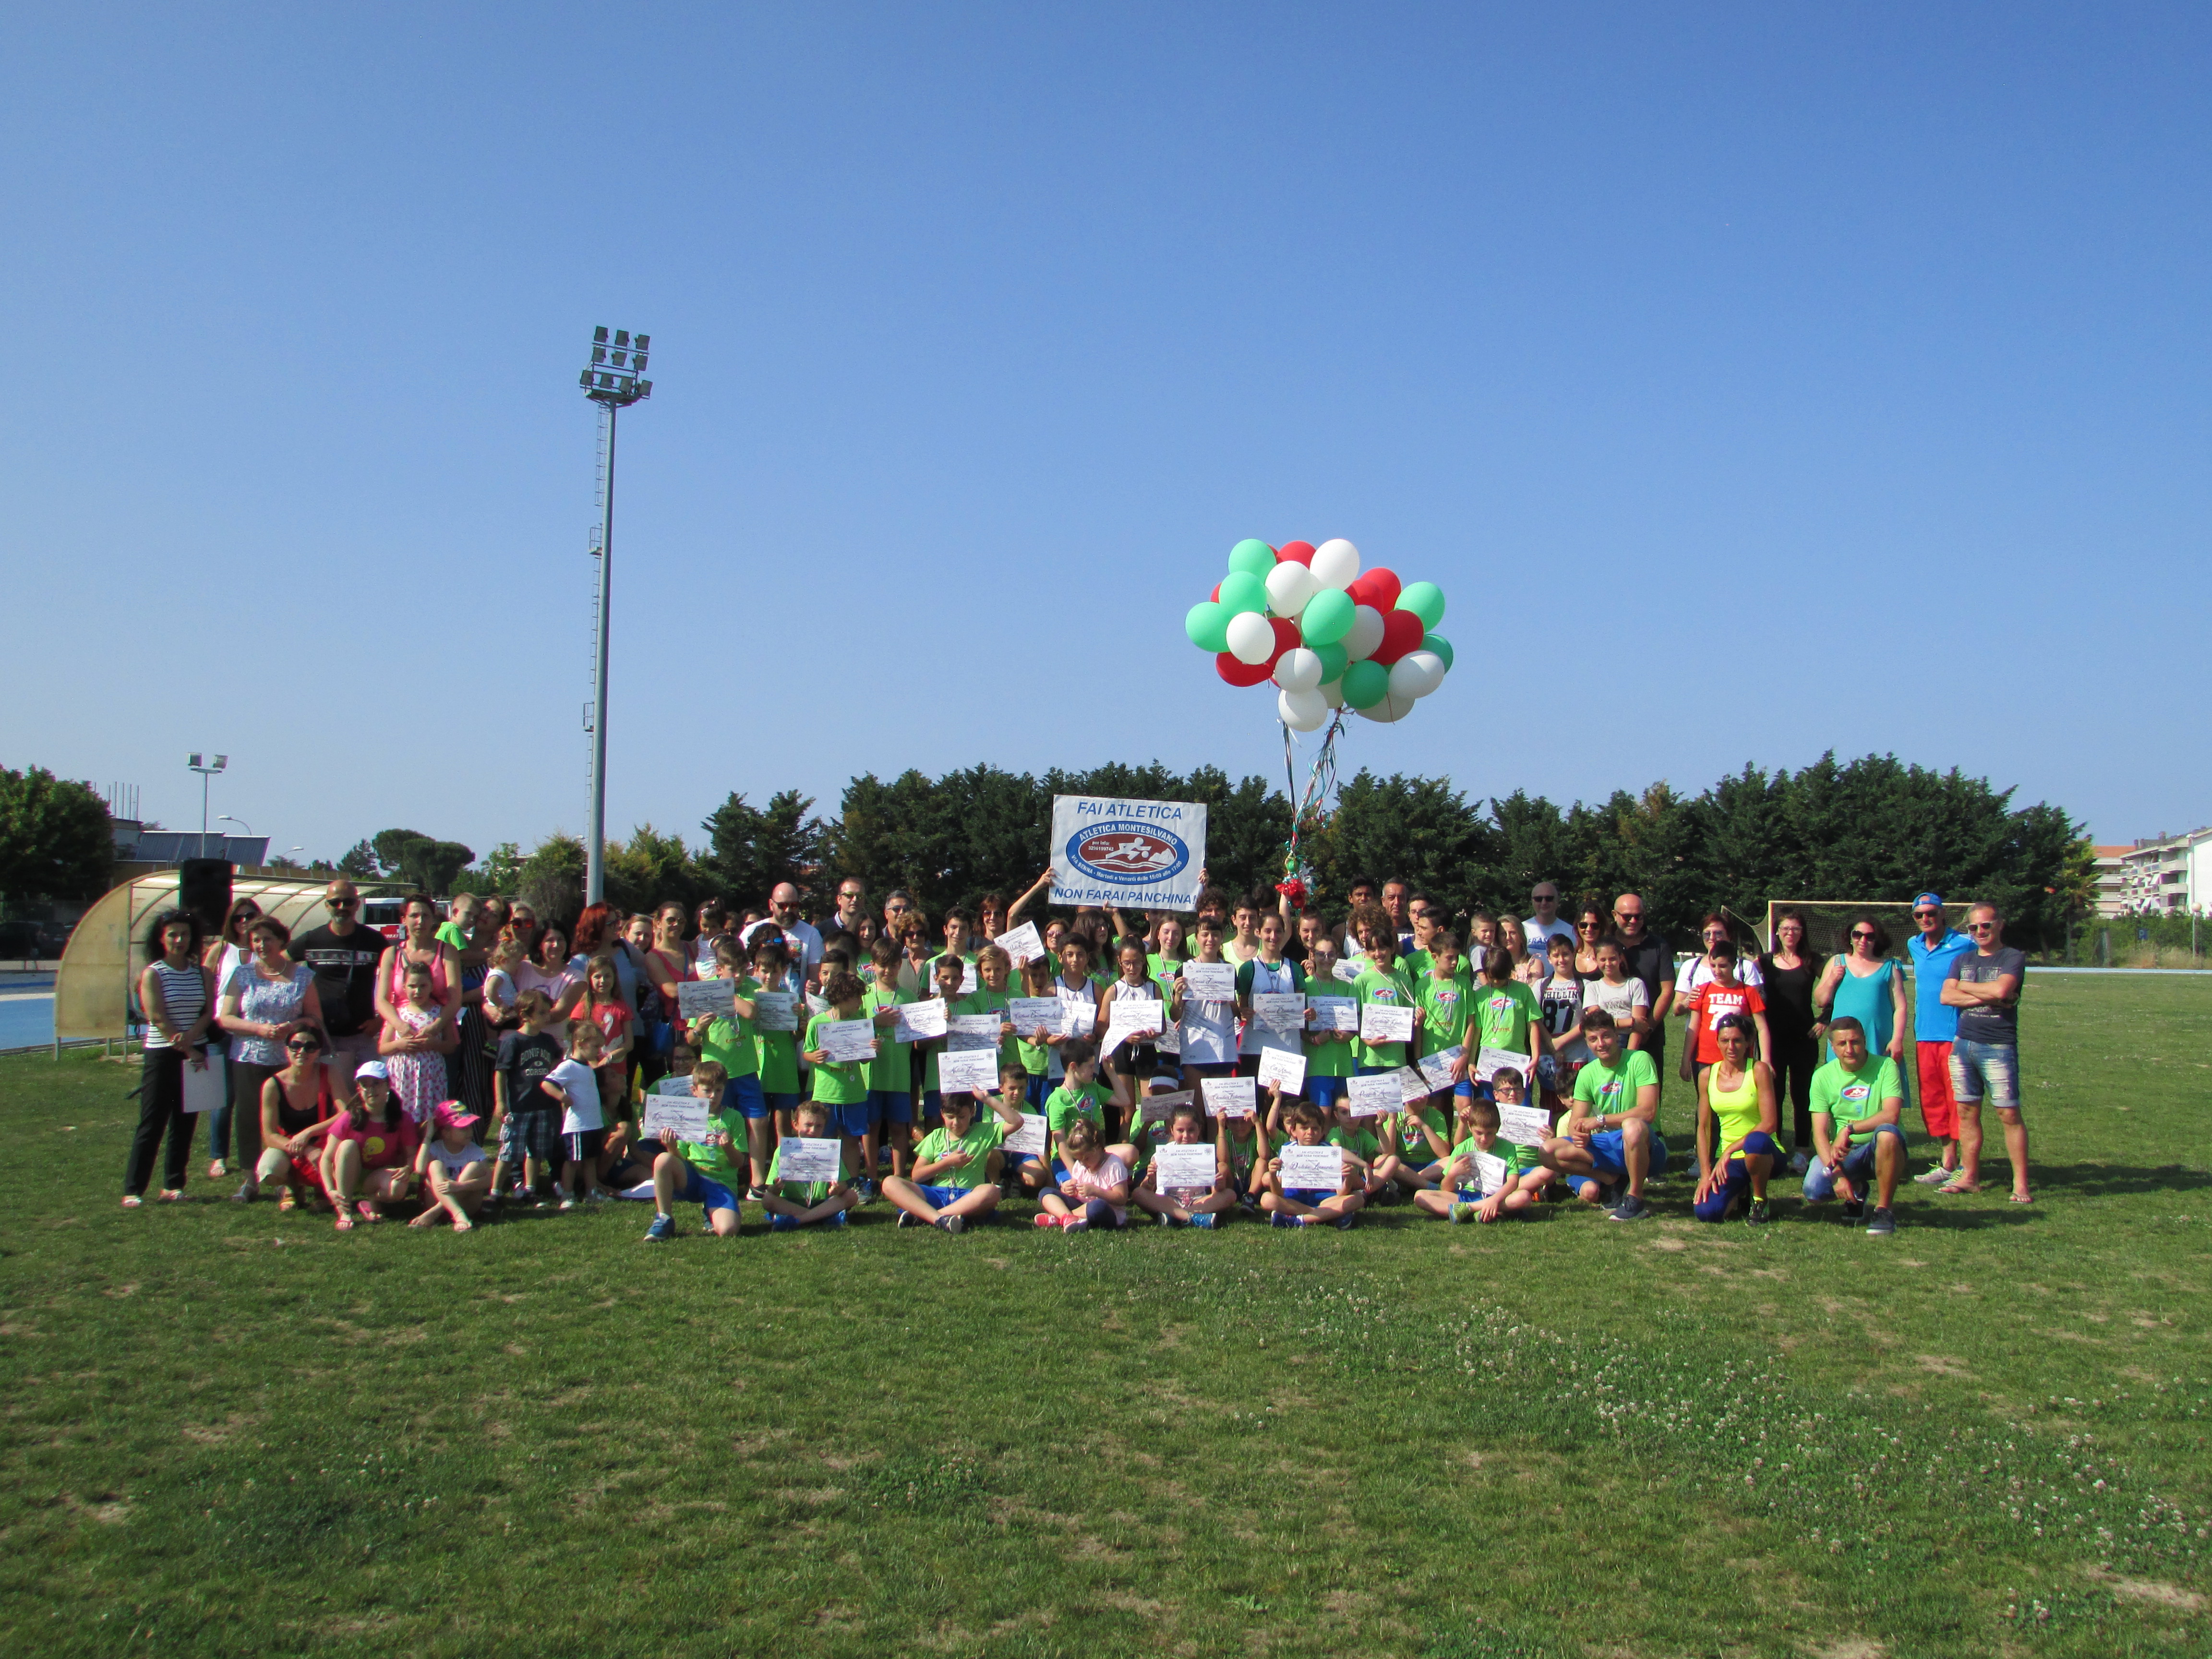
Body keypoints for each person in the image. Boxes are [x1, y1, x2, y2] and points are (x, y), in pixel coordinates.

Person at [217, 915, 325, 1201]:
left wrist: (292, 1028)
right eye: (256, 940)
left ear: (281, 941)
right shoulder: (242, 975)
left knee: (288, 1120)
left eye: (267, 939)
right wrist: (258, 1029)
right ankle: (250, 1179)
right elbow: (225, 1018)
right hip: (250, 1056)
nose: (261, 945)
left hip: (291, 1059)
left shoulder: (303, 976)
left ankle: (289, 1177)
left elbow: (315, 1017)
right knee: (249, 1117)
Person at [1939, 904, 2030, 1202]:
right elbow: (1945, 996)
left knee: (2008, 1112)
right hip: (1963, 1044)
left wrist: (1965, 988)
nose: (1979, 932)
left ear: (2000, 925)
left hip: (1998, 1046)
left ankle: (2020, 1184)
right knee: (1966, 1112)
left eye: (1985, 926)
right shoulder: (1962, 959)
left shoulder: (2013, 957)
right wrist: (1987, 992)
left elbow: (2004, 991)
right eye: (1973, 928)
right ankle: (1970, 1177)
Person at [1539, 1008, 1665, 1221]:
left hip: (1647, 1144)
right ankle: (1611, 1180)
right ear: (1587, 1043)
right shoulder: (1588, 1072)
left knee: (1632, 1127)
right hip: (1609, 1144)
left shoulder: (1639, 1059)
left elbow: (1648, 1112)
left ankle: (1636, 1198)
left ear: (1616, 1036)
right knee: (1548, 1151)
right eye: (1593, 1039)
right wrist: (1580, 1134)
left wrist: (1600, 1120)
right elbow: (1575, 1125)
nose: (1601, 1044)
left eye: (1606, 1036)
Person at [125, 909, 215, 1206]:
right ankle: (134, 1189)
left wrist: (194, 1041)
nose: (179, 940)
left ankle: (173, 1185)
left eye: (185, 934)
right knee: (152, 1123)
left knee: (185, 1122)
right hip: (163, 1055)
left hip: (195, 1053)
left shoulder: (202, 973)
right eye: (173, 934)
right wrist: (186, 1047)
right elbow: (158, 1018)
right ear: (162, 938)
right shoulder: (153, 973)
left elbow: (208, 1013)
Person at [1802, 1015, 1908, 1233]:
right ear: (1832, 1046)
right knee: (1814, 1191)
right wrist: (1837, 1175)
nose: (1849, 1049)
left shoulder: (1886, 1066)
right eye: (1842, 1044)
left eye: (1855, 1042)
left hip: (1880, 1147)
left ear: (1864, 1041)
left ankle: (1884, 1210)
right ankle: (1858, 1189)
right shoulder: (1822, 1077)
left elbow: (1891, 1115)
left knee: (1888, 1134)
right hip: (1845, 1152)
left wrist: (1850, 1129)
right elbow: (1820, 1134)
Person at [289, 878, 388, 1092]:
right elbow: (281, 965)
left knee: (370, 1094)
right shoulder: (311, 940)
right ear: (326, 905)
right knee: (331, 1096)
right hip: (325, 1036)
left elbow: (398, 980)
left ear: (358, 904)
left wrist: (381, 1020)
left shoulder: (374, 941)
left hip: (363, 1035)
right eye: (335, 902)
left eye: (349, 902)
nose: (342, 907)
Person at [1906, 893, 1977, 1186]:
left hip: (1955, 1034)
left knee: (1957, 1100)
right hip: (1924, 1035)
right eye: (1919, 915)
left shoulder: (1964, 944)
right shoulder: (1914, 945)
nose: (1925, 919)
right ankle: (1948, 1162)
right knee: (1933, 1101)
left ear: (1942, 913)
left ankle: (1966, 1166)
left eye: (1931, 913)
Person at [642, 1059, 744, 1241]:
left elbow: (739, 1163)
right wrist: (671, 1147)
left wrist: (728, 1147)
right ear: (694, 1091)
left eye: (719, 1090)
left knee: (728, 1230)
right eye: (707, 1091)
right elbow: (678, 1159)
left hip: (721, 1182)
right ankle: (664, 1218)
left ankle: (711, 1211)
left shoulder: (734, 1117)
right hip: (693, 1177)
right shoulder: (688, 1116)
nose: (713, 1096)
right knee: (663, 1159)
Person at [1691, 1014, 1779, 1224]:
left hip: (1764, 1152)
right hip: (1728, 1161)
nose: (1731, 1047)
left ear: (1749, 1042)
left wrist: (1730, 1150)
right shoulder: (1707, 1075)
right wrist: (1705, 1173)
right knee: (1707, 1213)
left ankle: (1760, 1200)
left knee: (1756, 1141)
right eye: (1725, 1041)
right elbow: (1703, 1128)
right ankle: (1740, 1192)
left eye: (1737, 1041)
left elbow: (1769, 1124)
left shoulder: (1758, 1070)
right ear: (1718, 1042)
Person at [1756, 908, 1824, 1169]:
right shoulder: (1764, 962)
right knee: (1773, 1095)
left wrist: (1825, 1019)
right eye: (1785, 928)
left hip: (1803, 1038)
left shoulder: (1812, 961)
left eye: (1795, 929)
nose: (1790, 933)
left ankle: (1803, 1150)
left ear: (1802, 932)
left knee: (1802, 1095)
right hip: (1771, 1040)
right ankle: (1774, 1147)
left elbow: (1837, 988)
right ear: (1777, 932)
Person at [881, 1090, 1005, 1233]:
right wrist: (947, 1163)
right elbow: (917, 1176)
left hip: (968, 1196)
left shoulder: (983, 1131)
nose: (956, 1123)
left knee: (992, 1191)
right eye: (951, 1117)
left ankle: (930, 1217)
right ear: (942, 1114)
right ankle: (941, 1219)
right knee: (890, 1182)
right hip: (937, 1194)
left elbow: (1016, 1122)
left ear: (972, 1113)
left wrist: (988, 1099)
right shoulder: (936, 1136)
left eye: (962, 1117)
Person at [201, 894, 262, 1179]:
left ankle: (257, 1153)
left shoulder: (264, 950)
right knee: (222, 1097)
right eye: (239, 918)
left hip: (254, 1032)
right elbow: (206, 987)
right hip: (222, 1031)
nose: (245, 923)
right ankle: (218, 1156)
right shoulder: (220, 950)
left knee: (255, 1097)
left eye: (250, 917)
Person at [801, 964, 878, 1182]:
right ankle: (824, 1182)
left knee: (852, 1141)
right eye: (857, 999)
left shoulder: (860, 1023)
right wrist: (814, 1057)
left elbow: (866, 1058)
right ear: (844, 998)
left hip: (853, 1093)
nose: (861, 1003)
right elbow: (807, 1052)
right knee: (825, 1140)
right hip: (826, 1094)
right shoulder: (818, 1022)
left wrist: (872, 1050)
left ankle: (853, 1182)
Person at [324, 1061, 421, 1230]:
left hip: (379, 1176)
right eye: (365, 1085)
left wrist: (408, 1168)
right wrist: (331, 1191)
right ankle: (345, 1211)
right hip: (349, 1172)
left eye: (377, 1083)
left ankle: (371, 1201)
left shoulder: (402, 1118)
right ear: (359, 1090)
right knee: (347, 1146)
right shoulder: (350, 1117)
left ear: (388, 1086)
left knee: (398, 1188)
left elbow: (412, 1154)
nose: (371, 1089)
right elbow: (326, 1158)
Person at [250, 1028, 338, 1212]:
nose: (302, 1052)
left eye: (310, 1047)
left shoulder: (329, 1074)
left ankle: (323, 1192)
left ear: (319, 1051)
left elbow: (346, 1113)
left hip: (324, 1142)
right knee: (269, 1169)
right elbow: (269, 1135)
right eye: (295, 1046)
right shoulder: (273, 1085)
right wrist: (305, 1148)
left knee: (343, 1153)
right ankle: (290, 1187)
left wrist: (308, 1133)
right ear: (286, 1050)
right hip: (289, 1145)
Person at [1415, 1094, 1541, 1223]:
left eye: (1490, 1134)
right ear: (1470, 1127)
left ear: (1497, 1129)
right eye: (1479, 1133)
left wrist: (1494, 1200)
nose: (1484, 1139)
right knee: (1420, 1196)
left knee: (1524, 1197)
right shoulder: (1462, 1148)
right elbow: (1446, 1189)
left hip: (1496, 1196)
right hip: (1465, 1195)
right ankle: (1481, 1211)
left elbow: (1513, 1182)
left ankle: (1469, 1210)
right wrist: (1453, 1174)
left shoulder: (1507, 1147)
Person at [490, 989, 565, 1205]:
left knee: (536, 1150)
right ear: (525, 1015)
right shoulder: (513, 1041)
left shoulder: (548, 1041)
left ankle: (530, 1189)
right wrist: (501, 1102)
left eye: (547, 1012)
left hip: (543, 1105)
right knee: (510, 1150)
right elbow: (501, 1072)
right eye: (542, 1013)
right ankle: (496, 1191)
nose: (547, 1017)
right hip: (519, 1106)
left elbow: (556, 1064)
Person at [372, 893, 463, 1042]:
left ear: (433, 919)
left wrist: (435, 1028)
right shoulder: (391, 954)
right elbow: (382, 1000)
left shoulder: (447, 951)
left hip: (439, 1032)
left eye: (426, 916)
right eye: (414, 916)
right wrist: (401, 1027)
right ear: (404, 919)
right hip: (400, 1033)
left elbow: (455, 999)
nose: (420, 921)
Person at [539, 1021, 611, 1210]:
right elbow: (547, 1084)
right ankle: (568, 1193)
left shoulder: (587, 1067)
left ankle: (591, 1192)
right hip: (577, 1125)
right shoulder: (568, 1066)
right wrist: (562, 1097)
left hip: (592, 1123)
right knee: (573, 1162)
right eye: (595, 1046)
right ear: (580, 1043)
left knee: (590, 1160)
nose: (598, 1051)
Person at [1132, 1098, 1236, 1227]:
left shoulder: (1205, 1152)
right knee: (1138, 1194)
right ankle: (1193, 1218)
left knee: (1230, 1195)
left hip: (1198, 1201)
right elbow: (1146, 1189)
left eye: (1191, 1130)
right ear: (1172, 1130)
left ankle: (1175, 1216)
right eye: (1180, 1131)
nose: (1186, 1136)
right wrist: (1151, 1179)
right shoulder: (1163, 1153)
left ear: (1199, 1130)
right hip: (1170, 1201)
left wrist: (1219, 1184)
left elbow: (1216, 1192)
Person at [1260, 1100, 1363, 1229]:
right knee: (1267, 1199)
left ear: (1321, 1131)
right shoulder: (1288, 1150)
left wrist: (1347, 1177)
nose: (1310, 1133)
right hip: (1295, 1199)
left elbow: (1342, 1193)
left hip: (1324, 1200)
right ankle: (1328, 1215)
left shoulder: (1329, 1151)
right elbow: (1278, 1193)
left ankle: (1300, 1220)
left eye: (1315, 1128)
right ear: (1294, 1131)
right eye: (1304, 1128)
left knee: (1358, 1198)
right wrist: (1273, 1174)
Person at [760, 1100, 861, 1230]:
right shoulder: (783, 1151)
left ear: (824, 1127)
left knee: (851, 1195)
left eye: (819, 1126)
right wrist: (776, 1188)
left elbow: (843, 1185)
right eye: (808, 1125)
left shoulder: (830, 1150)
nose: (813, 1131)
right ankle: (824, 1217)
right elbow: (771, 1189)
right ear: (795, 1125)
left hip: (823, 1203)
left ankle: (798, 1220)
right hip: (792, 1202)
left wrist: (837, 1189)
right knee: (767, 1199)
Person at [380, 961, 458, 1126]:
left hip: (430, 1077)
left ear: (431, 986)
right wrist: (399, 1045)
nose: (418, 991)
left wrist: (434, 1044)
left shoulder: (440, 1013)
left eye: (423, 986)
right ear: (404, 986)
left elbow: (451, 1046)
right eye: (412, 986)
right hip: (403, 1077)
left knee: (429, 1120)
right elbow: (383, 1047)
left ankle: (428, 1145)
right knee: (402, 1118)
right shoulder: (398, 1015)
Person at [1609, 894, 1675, 1080]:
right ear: (1615, 915)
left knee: (1649, 1097)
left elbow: (1667, 991)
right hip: (1609, 1036)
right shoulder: (1605, 946)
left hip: (1649, 1036)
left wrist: (1648, 1028)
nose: (1633, 921)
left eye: (1639, 916)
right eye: (1627, 917)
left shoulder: (1658, 946)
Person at [410, 1101, 493, 1231]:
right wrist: (427, 1137)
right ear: (446, 1133)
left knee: (475, 1167)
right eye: (463, 1128)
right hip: (435, 1200)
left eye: (470, 1126)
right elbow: (420, 1169)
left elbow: (488, 1181)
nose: (469, 1132)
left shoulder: (475, 1151)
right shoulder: (436, 1148)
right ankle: (459, 1215)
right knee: (435, 1165)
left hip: (466, 1205)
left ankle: (436, 1214)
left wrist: (460, 1186)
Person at [1037, 1118, 1132, 1230]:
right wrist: (1068, 1189)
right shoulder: (1081, 1165)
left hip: (1107, 1211)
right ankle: (1068, 1218)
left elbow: (1122, 1198)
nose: (1083, 1163)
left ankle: (1061, 1217)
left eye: (1087, 1158)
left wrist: (1096, 1191)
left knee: (1097, 1206)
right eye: (1079, 1160)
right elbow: (1075, 1183)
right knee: (1046, 1192)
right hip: (1081, 1204)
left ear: (1097, 1148)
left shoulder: (1114, 1165)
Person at [1300, 937, 1356, 1111]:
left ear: (1337, 957)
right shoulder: (1304, 986)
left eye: (1331, 955)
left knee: (1344, 1118)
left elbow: (1355, 1023)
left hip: (1343, 1063)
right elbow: (1295, 1026)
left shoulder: (1347, 987)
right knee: (1322, 1116)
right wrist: (1314, 1039)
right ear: (1313, 955)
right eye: (1321, 954)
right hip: (1318, 1063)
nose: (1326, 959)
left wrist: (1350, 1035)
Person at [741, 883, 824, 984]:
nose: (788, 910)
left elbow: (815, 976)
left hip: (795, 998)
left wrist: (813, 988)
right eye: (783, 906)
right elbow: (739, 968)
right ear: (771, 905)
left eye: (794, 905)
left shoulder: (812, 934)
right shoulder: (752, 931)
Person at [1524, 884, 1575, 954]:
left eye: (1549, 899)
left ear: (1557, 900)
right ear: (1532, 901)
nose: (1544, 903)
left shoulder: (1571, 932)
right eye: (1538, 899)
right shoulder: (1521, 929)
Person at [1571, 902, 1610, 975]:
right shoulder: (1570, 956)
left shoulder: (1610, 956)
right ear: (1577, 927)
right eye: (1583, 925)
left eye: (1595, 926)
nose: (1589, 929)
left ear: (1602, 928)